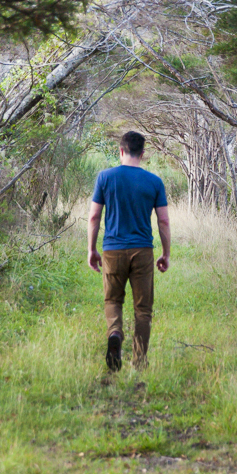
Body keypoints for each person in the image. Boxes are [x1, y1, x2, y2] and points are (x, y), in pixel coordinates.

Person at [87, 130, 171, 372]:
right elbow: (163, 222)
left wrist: (92, 249)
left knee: (113, 299)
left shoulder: (105, 177)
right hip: (143, 251)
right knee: (143, 309)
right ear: (142, 154)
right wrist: (165, 254)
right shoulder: (154, 182)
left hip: (112, 250)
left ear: (120, 151)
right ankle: (139, 361)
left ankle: (115, 333)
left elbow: (94, 216)